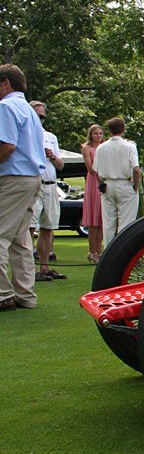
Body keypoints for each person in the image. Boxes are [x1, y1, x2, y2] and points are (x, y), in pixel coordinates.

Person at [0, 64, 46, 311]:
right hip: (32, 178)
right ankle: (25, 294)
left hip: (13, 178)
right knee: (20, 239)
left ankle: (2, 294)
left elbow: (7, 146)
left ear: (5, 83)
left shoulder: (6, 107)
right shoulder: (29, 110)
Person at [28, 101, 65, 281]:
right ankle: (30, 269)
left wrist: (53, 156)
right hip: (35, 184)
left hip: (51, 185)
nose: (40, 119)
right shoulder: (25, 135)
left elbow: (60, 165)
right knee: (30, 227)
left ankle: (45, 267)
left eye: (42, 116)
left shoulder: (51, 137)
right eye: (37, 116)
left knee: (49, 227)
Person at [93, 116, 141, 248]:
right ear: (123, 129)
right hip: (125, 184)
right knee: (126, 222)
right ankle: (123, 251)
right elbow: (136, 169)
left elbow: (96, 172)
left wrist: (101, 185)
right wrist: (135, 186)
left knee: (108, 223)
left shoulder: (101, 148)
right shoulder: (129, 146)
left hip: (108, 184)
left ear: (109, 130)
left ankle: (109, 252)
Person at [81, 123, 105, 262]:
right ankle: (92, 251)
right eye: (96, 133)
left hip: (102, 180)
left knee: (101, 219)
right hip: (93, 182)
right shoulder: (87, 148)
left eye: (100, 133)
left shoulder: (103, 147)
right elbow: (90, 167)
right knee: (93, 221)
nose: (98, 136)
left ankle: (99, 250)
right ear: (91, 134)